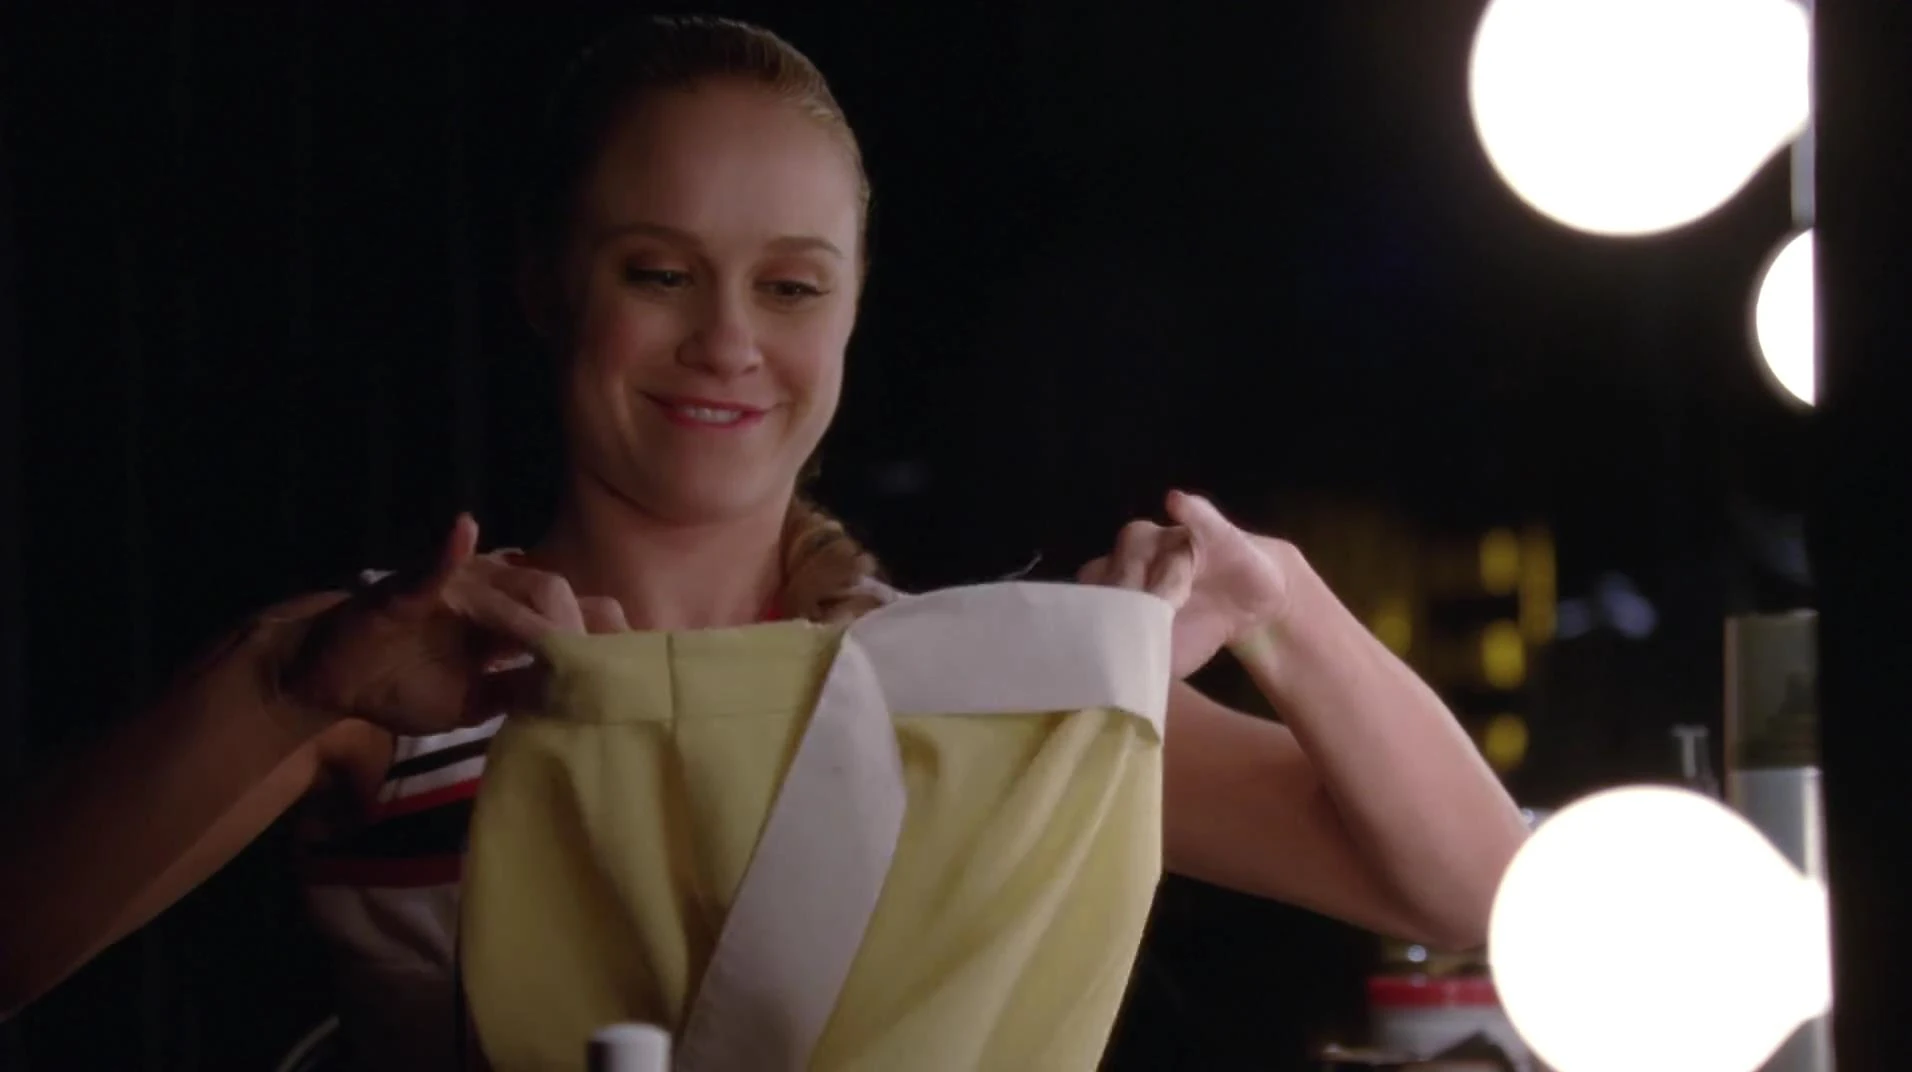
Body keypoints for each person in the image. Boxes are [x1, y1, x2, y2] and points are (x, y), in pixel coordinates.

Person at [0, 15, 1528, 1069]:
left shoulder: (971, 689)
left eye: (790, 287)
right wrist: (283, 687)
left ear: (853, 309)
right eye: (659, 273)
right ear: (544, 285)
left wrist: (1281, 603)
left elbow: (1485, 897)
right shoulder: (385, 667)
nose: (727, 342)